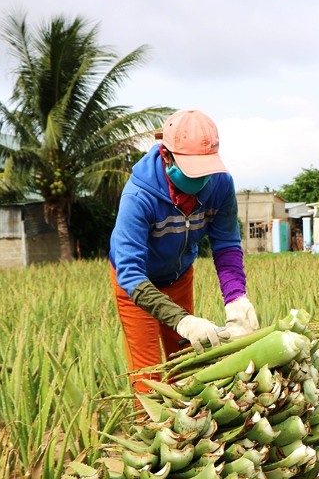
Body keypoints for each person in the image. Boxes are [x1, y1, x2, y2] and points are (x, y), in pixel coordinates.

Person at [109, 109, 259, 392]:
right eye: (193, 170)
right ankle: (149, 430)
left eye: (206, 169)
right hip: (137, 286)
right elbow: (130, 274)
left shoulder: (221, 184)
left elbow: (225, 243)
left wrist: (236, 297)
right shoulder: (138, 197)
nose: (201, 179)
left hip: (178, 278)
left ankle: (189, 427)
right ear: (167, 157)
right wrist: (183, 320)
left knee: (186, 362)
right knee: (148, 376)